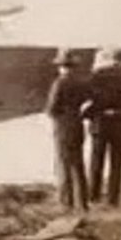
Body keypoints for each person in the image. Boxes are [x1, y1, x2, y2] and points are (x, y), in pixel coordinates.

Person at [85, 46, 121, 208]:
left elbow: (89, 99)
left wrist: (92, 113)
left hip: (100, 124)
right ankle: (113, 199)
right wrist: (119, 111)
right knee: (117, 164)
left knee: (96, 161)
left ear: (109, 58)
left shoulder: (98, 75)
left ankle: (93, 196)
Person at [45, 48, 91, 213]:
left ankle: (67, 202)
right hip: (77, 124)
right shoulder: (81, 83)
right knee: (78, 164)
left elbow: (51, 109)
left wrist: (55, 114)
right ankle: (83, 202)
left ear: (61, 66)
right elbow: (89, 100)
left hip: (63, 126)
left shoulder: (59, 83)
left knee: (63, 163)